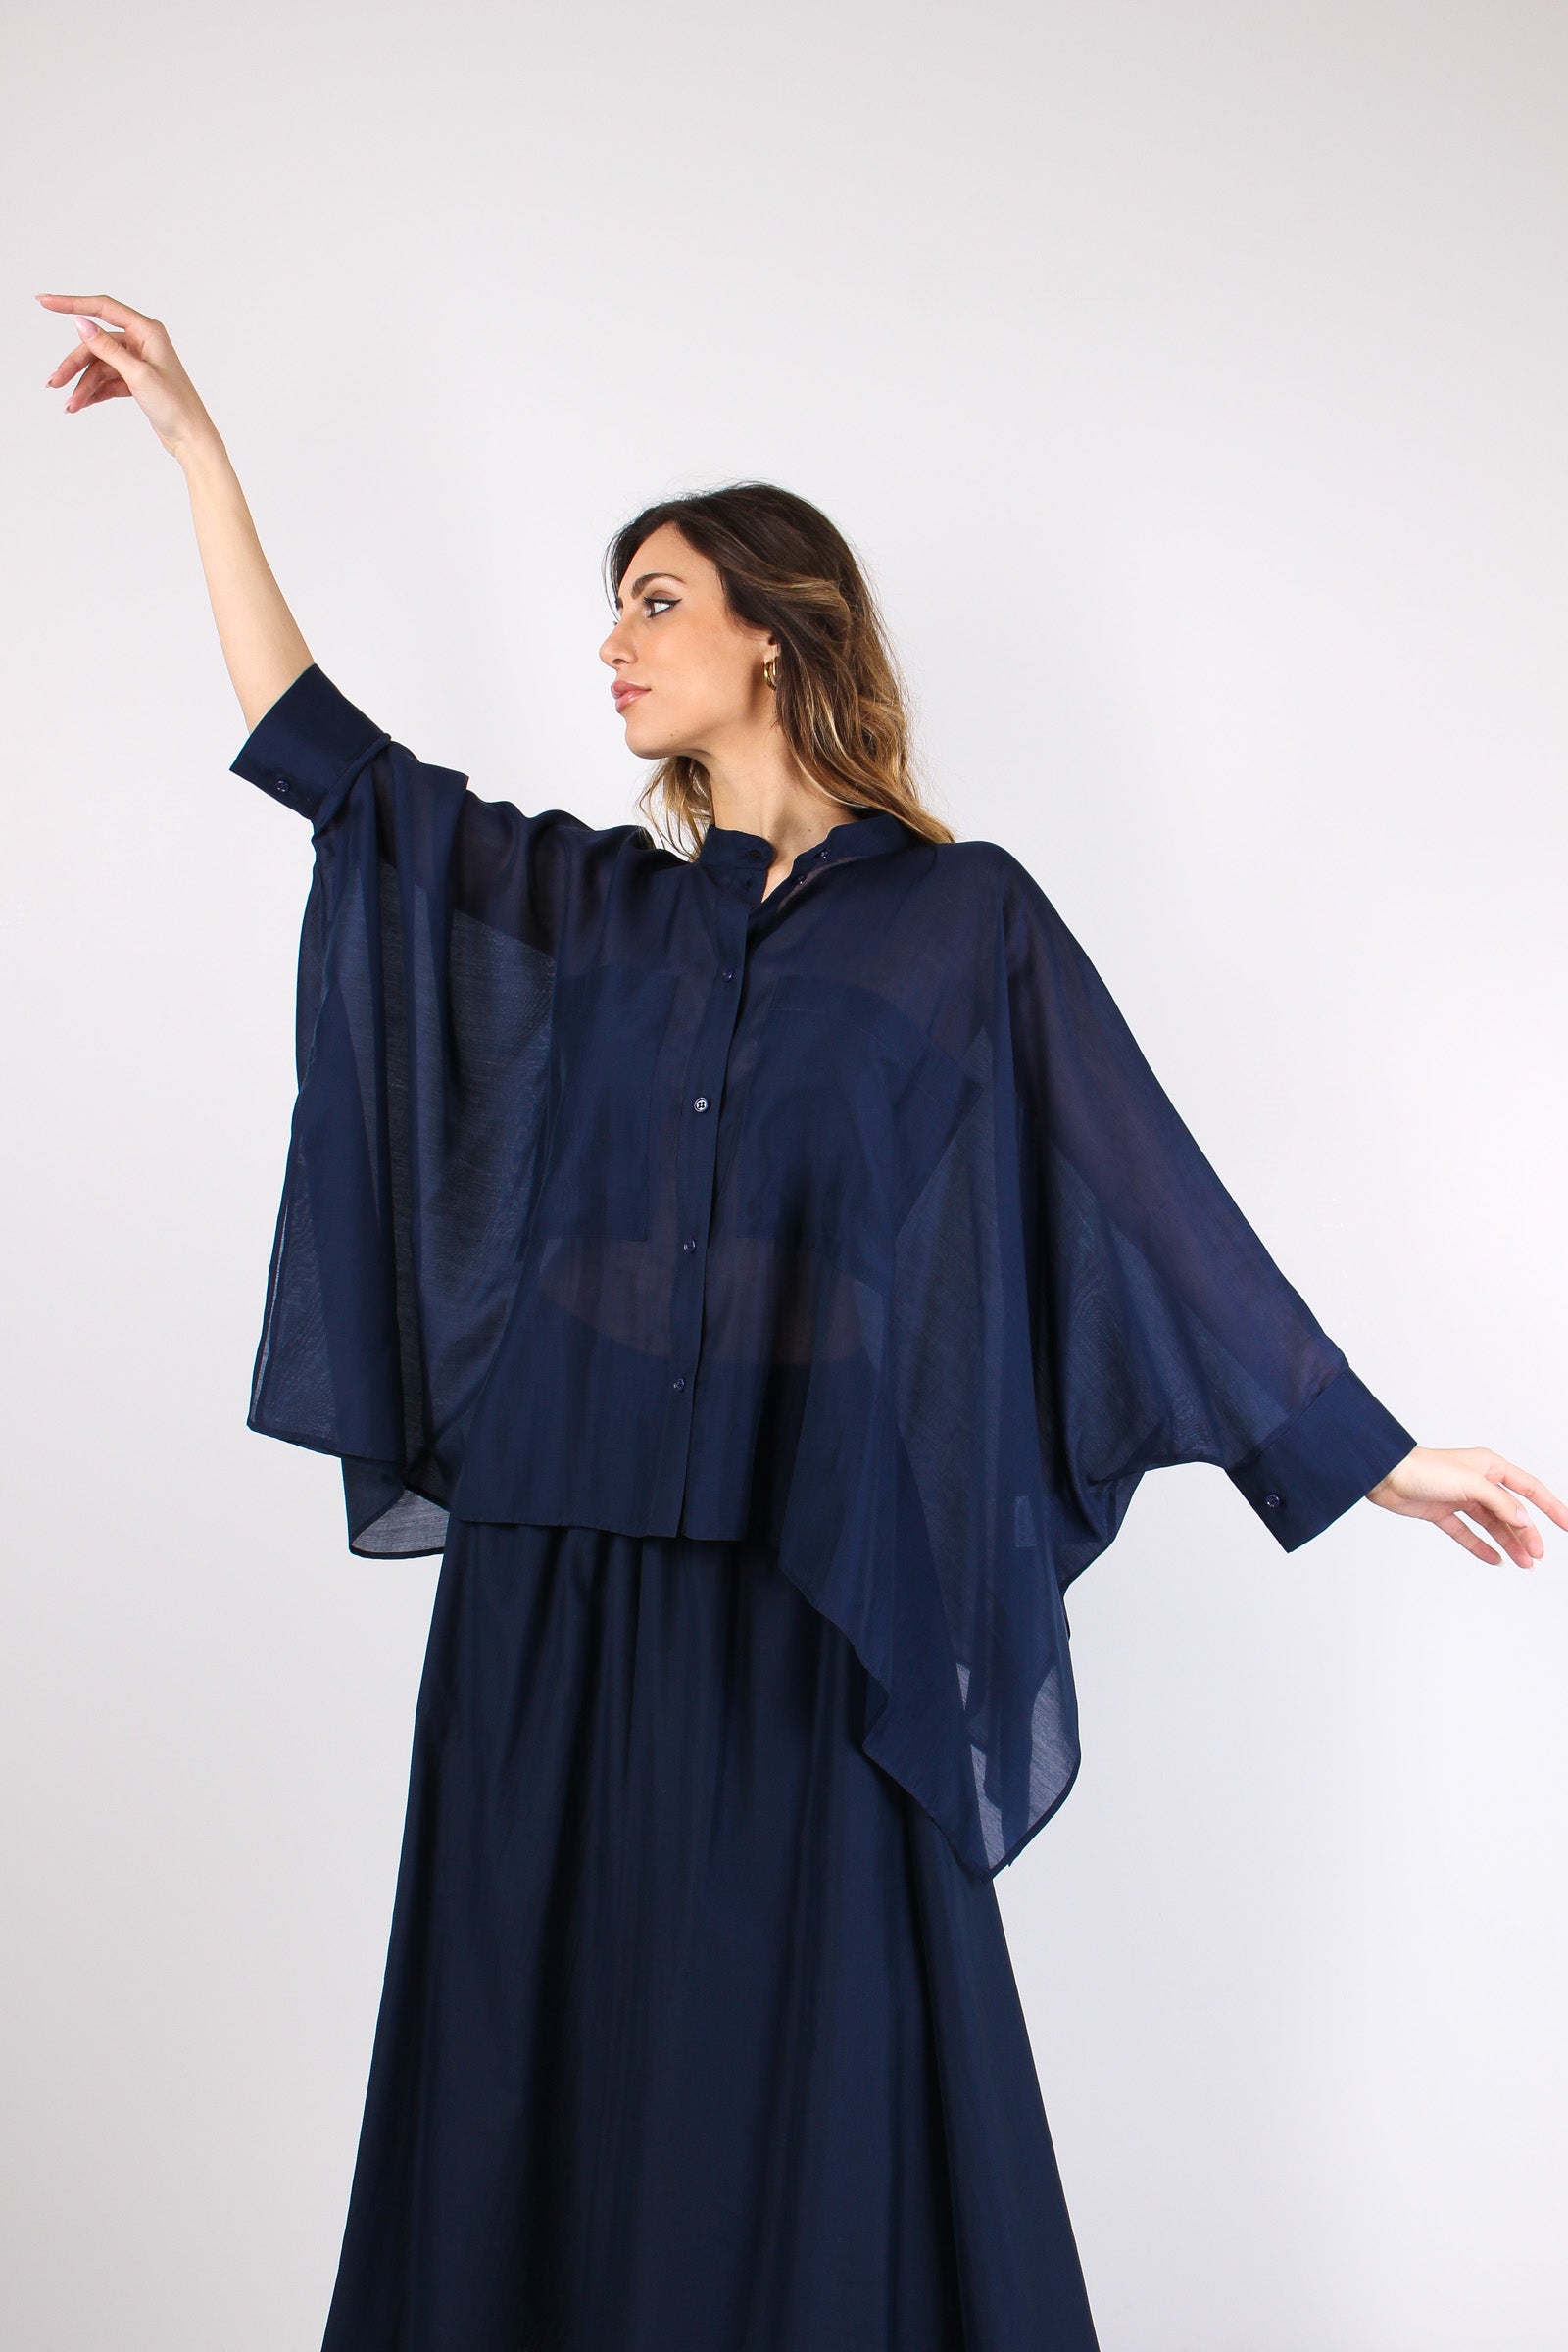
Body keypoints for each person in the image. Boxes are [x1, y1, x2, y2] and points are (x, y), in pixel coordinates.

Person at [40, 289, 1564, 2352]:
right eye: (609, 610)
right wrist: (197, 453)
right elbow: (333, 770)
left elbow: (1135, 1191)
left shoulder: (959, 921)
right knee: (532, 2038)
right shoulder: (600, 909)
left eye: (654, 602)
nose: (613, 643)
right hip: (554, 1571)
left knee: (794, 2047)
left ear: (774, 634)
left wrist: (1369, 1455)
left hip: (803, 1569)